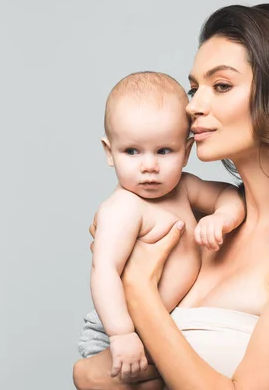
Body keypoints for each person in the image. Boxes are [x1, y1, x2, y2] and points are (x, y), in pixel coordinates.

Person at [73, 3, 269, 390]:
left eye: (221, 86)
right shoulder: (191, 221)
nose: (193, 106)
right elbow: (90, 375)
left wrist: (139, 291)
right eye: (194, 88)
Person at [78, 71, 246, 380]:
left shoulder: (183, 187)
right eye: (132, 151)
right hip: (119, 330)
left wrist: (222, 217)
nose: (149, 166)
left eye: (164, 151)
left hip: (158, 324)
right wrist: (121, 334)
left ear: (186, 152)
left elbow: (229, 195)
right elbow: (104, 272)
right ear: (109, 152)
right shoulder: (123, 207)